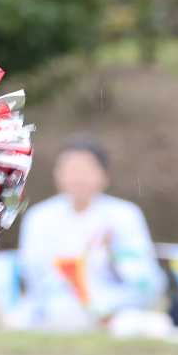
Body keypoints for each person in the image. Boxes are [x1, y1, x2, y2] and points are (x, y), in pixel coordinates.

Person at [14, 135, 165, 330]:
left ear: (104, 175)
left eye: (86, 170)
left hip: (116, 304)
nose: (78, 178)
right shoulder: (39, 218)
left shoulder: (124, 215)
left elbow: (148, 281)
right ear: (57, 174)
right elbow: (34, 276)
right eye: (71, 170)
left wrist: (115, 255)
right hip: (57, 305)